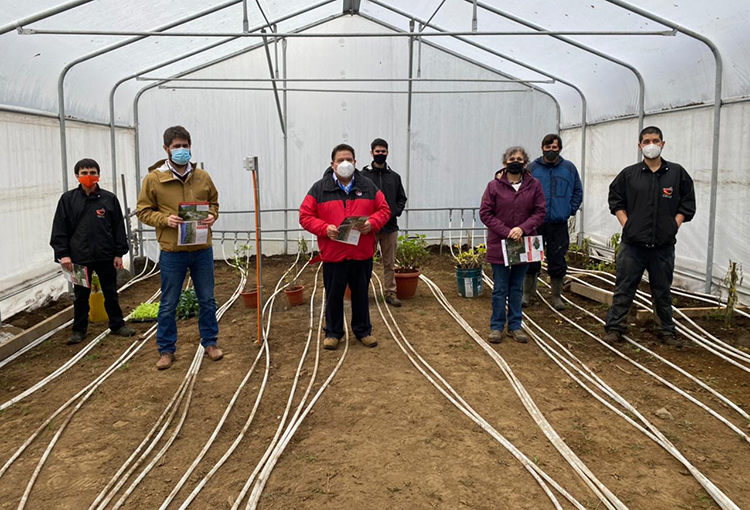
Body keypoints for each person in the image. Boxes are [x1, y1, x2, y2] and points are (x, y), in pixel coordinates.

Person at [136, 126, 223, 370]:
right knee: (168, 302)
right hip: (172, 251)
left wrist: (212, 215)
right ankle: (166, 350)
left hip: (201, 249)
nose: (182, 150)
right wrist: (165, 220)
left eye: (185, 145)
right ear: (166, 149)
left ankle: (211, 343)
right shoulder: (154, 179)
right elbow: (143, 211)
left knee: (207, 299)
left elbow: (213, 202)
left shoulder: (202, 176)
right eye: (177, 146)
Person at [604, 126, 696, 347]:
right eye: (646, 141)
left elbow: (687, 202)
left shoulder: (677, 173)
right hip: (633, 245)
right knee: (624, 287)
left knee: (662, 289)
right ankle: (615, 328)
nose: (651, 144)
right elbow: (616, 200)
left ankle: (666, 330)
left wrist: (674, 225)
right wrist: (627, 224)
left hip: (663, 246)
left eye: (655, 140)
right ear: (640, 146)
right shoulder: (629, 174)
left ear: (662, 144)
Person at [299, 143, 392, 350]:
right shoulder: (319, 188)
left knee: (361, 293)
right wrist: (324, 228)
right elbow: (305, 216)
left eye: (349, 159)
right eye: (340, 160)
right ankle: (333, 332)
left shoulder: (368, 186)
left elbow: (384, 210)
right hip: (334, 253)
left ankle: (363, 330)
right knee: (334, 294)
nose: (345, 163)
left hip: (361, 253)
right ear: (332, 164)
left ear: (355, 162)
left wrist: (372, 223)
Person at [50, 158, 135, 344]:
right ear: (77, 176)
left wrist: (118, 253)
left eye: (92, 172)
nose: (89, 176)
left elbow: (118, 228)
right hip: (79, 258)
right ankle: (79, 330)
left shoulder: (108, 199)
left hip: (105, 256)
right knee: (81, 296)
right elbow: (60, 228)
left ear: (98, 175)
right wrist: (63, 254)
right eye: (84, 173)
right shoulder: (68, 200)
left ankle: (117, 325)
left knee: (111, 292)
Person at [480, 147, 546, 344]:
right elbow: (485, 213)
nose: (515, 161)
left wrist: (522, 228)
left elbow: (540, 212)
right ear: (505, 163)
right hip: (499, 243)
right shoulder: (493, 186)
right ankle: (497, 326)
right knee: (500, 287)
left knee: (517, 287)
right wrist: (506, 231)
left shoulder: (534, 185)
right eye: (512, 158)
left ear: (525, 162)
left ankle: (516, 326)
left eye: (519, 158)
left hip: (523, 244)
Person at [525, 133, 583, 310]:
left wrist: (569, 209)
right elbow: (522, 192)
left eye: (554, 147)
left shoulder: (569, 168)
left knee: (557, 259)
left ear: (560, 149)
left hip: (558, 223)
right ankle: (527, 294)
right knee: (532, 259)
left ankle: (556, 296)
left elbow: (577, 191)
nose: (551, 151)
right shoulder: (532, 168)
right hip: (535, 224)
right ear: (542, 148)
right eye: (548, 147)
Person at [361, 138, 408, 307]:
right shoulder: (363, 175)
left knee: (389, 262)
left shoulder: (394, 177)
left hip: (390, 227)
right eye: (377, 151)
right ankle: (362, 293)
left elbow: (402, 198)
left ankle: (390, 292)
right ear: (371, 152)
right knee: (365, 261)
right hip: (369, 228)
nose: (380, 154)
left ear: (387, 153)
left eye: (383, 151)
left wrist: (395, 210)